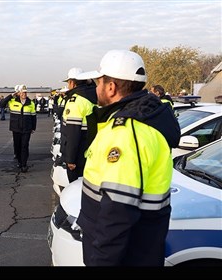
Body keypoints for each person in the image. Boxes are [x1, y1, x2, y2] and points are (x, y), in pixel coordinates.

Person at [76, 50, 181, 266]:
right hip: (141, 248)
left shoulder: (126, 133)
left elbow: (118, 211)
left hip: (125, 255)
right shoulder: (145, 123)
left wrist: (101, 262)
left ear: (111, 87)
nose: (96, 88)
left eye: (99, 82)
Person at [60, 67, 97, 183]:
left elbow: (73, 132)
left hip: (77, 155)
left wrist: (70, 159)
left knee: (74, 187)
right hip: (89, 150)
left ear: (72, 82)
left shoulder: (76, 101)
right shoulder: (93, 96)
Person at [0, 84, 37, 173]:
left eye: (25, 92)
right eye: (22, 92)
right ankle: (20, 161)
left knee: (24, 146)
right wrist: (11, 95)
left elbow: (33, 117)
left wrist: (33, 127)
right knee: (17, 146)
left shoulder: (30, 103)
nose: (24, 94)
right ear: (18, 93)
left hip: (26, 128)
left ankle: (24, 164)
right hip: (16, 128)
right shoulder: (13, 101)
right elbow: (2, 104)